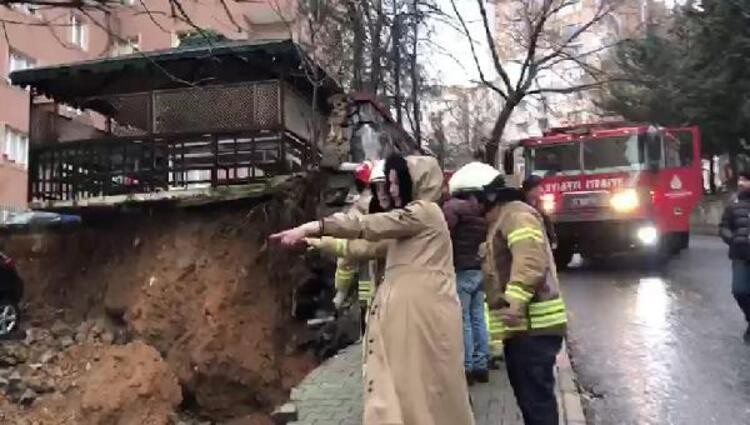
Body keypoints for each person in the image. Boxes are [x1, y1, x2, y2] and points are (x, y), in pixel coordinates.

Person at [271, 155, 475, 425]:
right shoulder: (411, 224)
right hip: (408, 319)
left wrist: (316, 225)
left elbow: (367, 225)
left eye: (394, 183)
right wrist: (315, 241)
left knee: (421, 389)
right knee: (404, 388)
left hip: (419, 320)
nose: (390, 191)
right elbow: (360, 247)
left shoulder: (425, 212)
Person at [473, 169, 568, 425]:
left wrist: (514, 305)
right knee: (531, 403)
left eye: (474, 201)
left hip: (534, 327)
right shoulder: (505, 217)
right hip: (524, 330)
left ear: (489, 198)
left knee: (537, 405)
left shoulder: (515, 216)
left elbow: (529, 262)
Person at [443, 162, 491, 385]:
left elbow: (444, 235)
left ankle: (468, 367)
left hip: (460, 269)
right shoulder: (483, 212)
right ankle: (482, 364)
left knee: (464, 321)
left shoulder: (452, 208)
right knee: (478, 317)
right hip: (478, 269)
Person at [719, 171, 750, 343]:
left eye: (746, 180)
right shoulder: (733, 205)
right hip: (740, 255)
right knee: (739, 290)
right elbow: (723, 227)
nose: (741, 183)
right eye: (740, 179)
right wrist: (732, 239)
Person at [522, 175, 558, 250]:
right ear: (531, 190)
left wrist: (553, 238)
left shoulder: (540, 204)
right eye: (539, 187)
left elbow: (547, 221)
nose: (542, 190)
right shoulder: (520, 206)